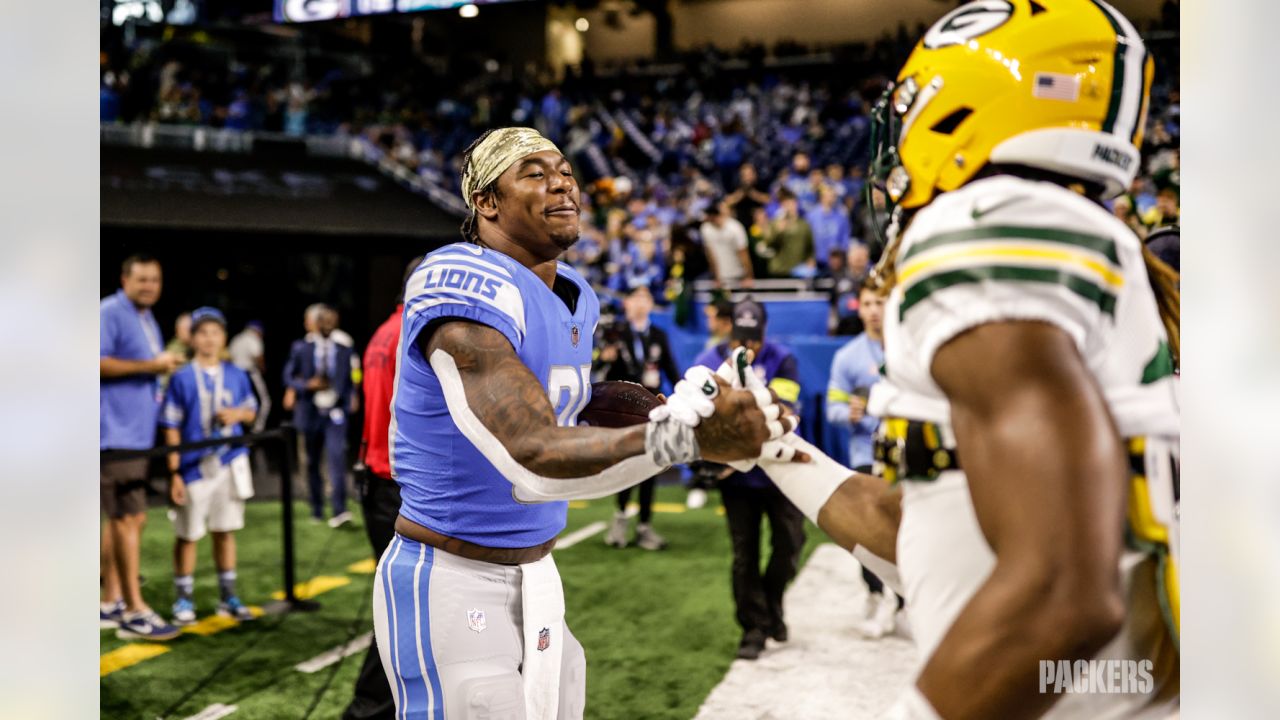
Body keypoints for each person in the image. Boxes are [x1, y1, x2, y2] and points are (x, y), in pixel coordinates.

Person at [718, 3, 1181, 716]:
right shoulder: (1071, 243)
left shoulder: (988, 224)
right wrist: (773, 450)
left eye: (911, 105)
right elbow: (935, 528)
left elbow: (1061, 589)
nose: (897, 137)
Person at [375, 127, 785, 720]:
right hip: (452, 574)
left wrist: (685, 411)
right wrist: (684, 439)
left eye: (565, 170)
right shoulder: (460, 278)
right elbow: (530, 452)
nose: (562, 182)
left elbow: (573, 404)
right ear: (486, 202)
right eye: (534, 173)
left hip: (539, 570)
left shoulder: (575, 293)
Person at [691, 300, 805, 661]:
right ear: (730, 331)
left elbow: (785, 410)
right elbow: (697, 418)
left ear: (764, 332)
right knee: (745, 553)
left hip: (779, 471)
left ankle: (771, 602)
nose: (748, 347)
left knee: (791, 544)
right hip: (736, 477)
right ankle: (753, 628)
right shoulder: (708, 363)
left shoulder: (782, 358)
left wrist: (736, 422)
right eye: (741, 338)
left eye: (754, 338)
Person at [342, 257, 421, 720]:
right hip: (396, 485)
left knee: (404, 610)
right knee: (402, 614)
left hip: (378, 479)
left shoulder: (383, 332)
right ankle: (367, 711)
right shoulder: (410, 333)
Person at [100, 254, 183, 640]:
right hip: (114, 435)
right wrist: (152, 367)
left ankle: (109, 600)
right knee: (126, 519)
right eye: (142, 279)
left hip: (134, 435)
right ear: (125, 278)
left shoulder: (143, 315)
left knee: (127, 518)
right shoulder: (111, 310)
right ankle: (134, 611)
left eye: (155, 279)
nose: (150, 286)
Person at [161, 307, 258, 625]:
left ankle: (228, 595)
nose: (209, 339)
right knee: (188, 534)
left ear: (223, 337)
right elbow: (171, 424)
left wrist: (237, 416)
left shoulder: (236, 374)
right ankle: (183, 598)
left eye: (215, 332)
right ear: (193, 337)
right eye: (203, 332)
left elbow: (251, 410)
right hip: (193, 466)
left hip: (228, 462)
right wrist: (173, 470)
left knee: (225, 530)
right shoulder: (182, 376)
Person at [824, 279, 901, 637]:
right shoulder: (848, 356)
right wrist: (849, 414)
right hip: (864, 453)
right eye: (868, 303)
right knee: (869, 534)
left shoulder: (907, 347)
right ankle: (874, 593)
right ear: (859, 307)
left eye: (880, 302)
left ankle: (901, 603)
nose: (874, 310)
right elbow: (833, 408)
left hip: (903, 454)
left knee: (905, 531)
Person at [594, 286, 681, 550]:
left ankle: (644, 526)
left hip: (651, 411)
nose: (640, 303)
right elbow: (598, 369)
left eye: (645, 298)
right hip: (621, 411)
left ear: (652, 303)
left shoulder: (658, 335)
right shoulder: (615, 334)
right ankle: (620, 519)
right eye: (636, 298)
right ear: (627, 303)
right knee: (626, 465)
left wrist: (682, 399)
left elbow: (672, 370)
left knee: (651, 466)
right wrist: (604, 359)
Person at [284, 305, 357, 527]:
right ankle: (316, 507)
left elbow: (353, 373)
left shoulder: (344, 347)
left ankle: (339, 509)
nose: (327, 324)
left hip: (335, 410)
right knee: (312, 461)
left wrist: (353, 393)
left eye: (331, 320)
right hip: (310, 411)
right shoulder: (301, 347)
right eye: (322, 320)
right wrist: (306, 385)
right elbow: (288, 376)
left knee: (336, 457)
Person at [759, 188, 814, 278]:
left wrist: (811, 261)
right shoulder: (775, 223)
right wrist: (779, 231)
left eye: (791, 203)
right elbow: (768, 244)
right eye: (785, 203)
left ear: (796, 203)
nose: (789, 206)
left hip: (798, 271)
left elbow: (810, 248)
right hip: (778, 270)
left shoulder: (804, 224)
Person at [699, 199, 754, 288]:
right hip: (720, 280)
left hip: (738, 277)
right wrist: (715, 277)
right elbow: (710, 255)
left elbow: (743, 254)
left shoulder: (735, 228)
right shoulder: (706, 229)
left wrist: (749, 276)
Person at [228, 320, 270, 431]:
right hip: (248, 373)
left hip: (233, 375)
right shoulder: (253, 338)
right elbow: (258, 356)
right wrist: (263, 369)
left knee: (236, 402)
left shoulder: (237, 339)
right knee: (264, 401)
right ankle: (257, 430)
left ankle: (240, 429)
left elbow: (229, 358)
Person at [804, 184, 852, 274]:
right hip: (816, 261)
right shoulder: (811, 216)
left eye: (833, 196)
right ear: (822, 197)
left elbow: (845, 239)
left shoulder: (841, 216)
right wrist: (809, 257)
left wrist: (840, 256)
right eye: (829, 195)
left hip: (836, 262)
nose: (831, 198)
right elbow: (806, 240)